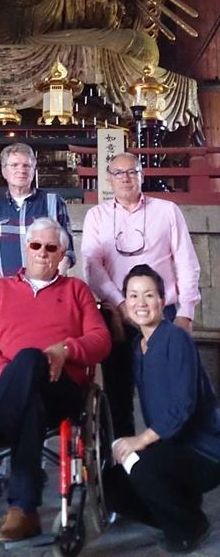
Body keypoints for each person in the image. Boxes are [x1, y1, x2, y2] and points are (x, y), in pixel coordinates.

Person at [0, 217, 110, 543]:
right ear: (26, 248)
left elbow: (101, 339)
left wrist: (64, 350)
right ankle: (23, 511)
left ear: (62, 253)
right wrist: (11, 375)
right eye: (36, 246)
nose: (42, 253)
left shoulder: (76, 290)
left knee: (32, 357)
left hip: (62, 392)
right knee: (27, 393)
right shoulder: (0, 290)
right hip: (14, 390)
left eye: (51, 248)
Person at [81, 151, 200, 437]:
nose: (125, 178)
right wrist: (121, 304)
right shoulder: (96, 216)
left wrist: (186, 312)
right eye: (118, 173)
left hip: (163, 313)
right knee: (118, 390)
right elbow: (92, 267)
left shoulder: (167, 211)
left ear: (142, 175)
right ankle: (123, 461)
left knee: (164, 390)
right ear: (108, 178)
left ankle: (166, 455)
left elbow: (186, 261)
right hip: (117, 317)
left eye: (132, 171)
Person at [107, 264, 220, 554]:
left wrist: (140, 441)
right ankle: (182, 510)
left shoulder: (176, 338)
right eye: (133, 296)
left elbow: (183, 405)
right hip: (171, 448)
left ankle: (190, 526)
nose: (140, 303)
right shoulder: (139, 347)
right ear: (125, 302)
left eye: (148, 295)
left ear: (162, 300)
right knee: (112, 485)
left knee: (142, 467)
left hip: (203, 451)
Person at [0, 143, 75, 283]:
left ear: (33, 170)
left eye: (26, 166)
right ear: (4, 171)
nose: (21, 170)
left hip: (46, 289)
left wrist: (52, 283)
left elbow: (67, 250)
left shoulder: (53, 202)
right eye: (14, 165)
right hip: (5, 291)